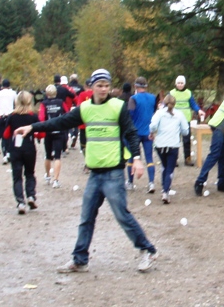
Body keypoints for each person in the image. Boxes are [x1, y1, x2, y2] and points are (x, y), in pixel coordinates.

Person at [14, 68, 159, 272]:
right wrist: (33, 127)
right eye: (99, 85)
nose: (103, 89)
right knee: (86, 218)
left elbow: (132, 133)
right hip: (95, 174)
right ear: (91, 87)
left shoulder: (118, 106)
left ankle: (147, 250)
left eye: (107, 85)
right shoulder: (85, 109)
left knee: (122, 215)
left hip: (113, 173)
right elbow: (60, 122)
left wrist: (136, 159)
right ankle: (80, 259)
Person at [4, 91, 40, 214]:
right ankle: (31, 195)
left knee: (17, 176)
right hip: (29, 147)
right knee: (30, 173)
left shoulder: (12, 116)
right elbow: (40, 132)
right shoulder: (33, 116)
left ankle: (20, 202)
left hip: (15, 148)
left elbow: (6, 134)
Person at [149, 93, 189, 204]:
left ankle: (164, 188)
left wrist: (152, 133)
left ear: (164, 102)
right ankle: (165, 191)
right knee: (170, 169)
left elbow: (152, 126)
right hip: (173, 144)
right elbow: (185, 130)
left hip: (160, 144)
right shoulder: (179, 114)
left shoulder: (159, 113)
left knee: (164, 166)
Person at [128, 77, 157, 193]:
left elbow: (130, 114)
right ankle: (151, 183)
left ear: (135, 86)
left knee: (132, 158)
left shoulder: (133, 99)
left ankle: (130, 183)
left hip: (135, 132)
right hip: (148, 131)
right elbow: (154, 112)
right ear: (146, 86)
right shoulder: (153, 98)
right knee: (149, 158)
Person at [169, 75, 204, 166]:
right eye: (178, 83)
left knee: (187, 140)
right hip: (174, 120)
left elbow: (193, 104)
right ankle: (174, 159)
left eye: (182, 83)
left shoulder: (188, 93)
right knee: (175, 140)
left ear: (184, 84)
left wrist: (199, 110)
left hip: (185, 120)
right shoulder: (172, 93)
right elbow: (167, 105)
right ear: (176, 84)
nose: (180, 85)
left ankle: (187, 159)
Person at [39, 84, 66, 188]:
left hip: (48, 131)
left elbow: (41, 118)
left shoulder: (44, 104)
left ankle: (48, 176)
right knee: (58, 156)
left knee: (48, 155)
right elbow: (66, 113)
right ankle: (56, 180)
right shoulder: (61, 102)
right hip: (59, 131)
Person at [0, 79, 17, 164]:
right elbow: (17, 104)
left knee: (2, 137)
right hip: (10, 117)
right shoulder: (13, 93)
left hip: (0, 117)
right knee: (10, 136)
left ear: (2, 86)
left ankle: (4, 155)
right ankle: (9, 153)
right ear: (9, 86)